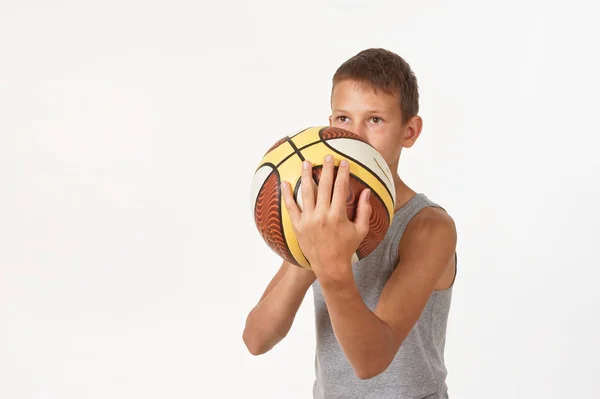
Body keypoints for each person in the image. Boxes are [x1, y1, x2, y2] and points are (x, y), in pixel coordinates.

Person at [243, 48, 458, 399]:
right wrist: (309, 252)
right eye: (343, 119)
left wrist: (330, 264)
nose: (354, 137)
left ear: (409, 130)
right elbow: (256, 339)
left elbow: (371, 362)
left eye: (375, 120)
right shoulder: (319, 218)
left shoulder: (428, 227)